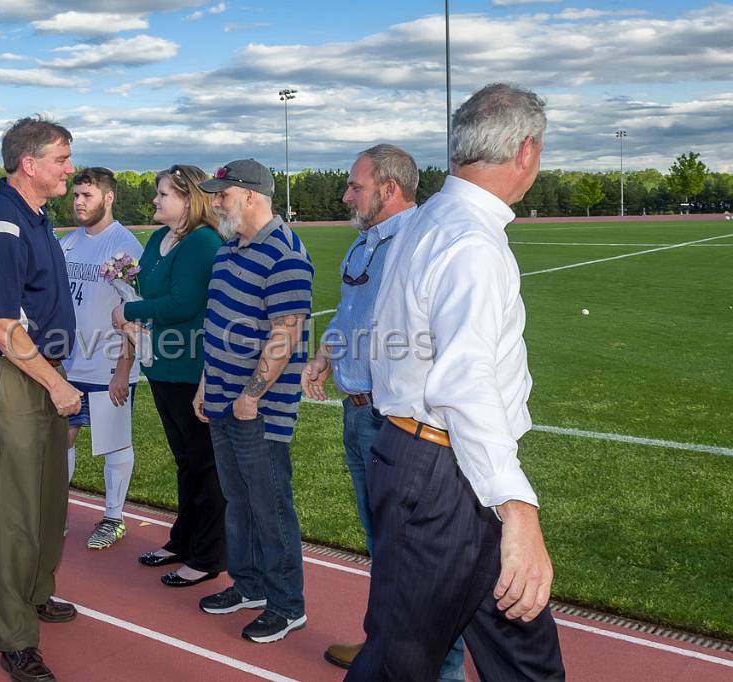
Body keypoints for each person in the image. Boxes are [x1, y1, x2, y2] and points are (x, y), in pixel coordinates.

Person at [348, 83, 565, 681]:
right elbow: (464, 383)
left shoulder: (428, 222)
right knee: (401, 664)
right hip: (445, 477)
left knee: (526, 658)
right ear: (526, 151)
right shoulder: (470, 241)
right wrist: (518, 509)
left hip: (430, 464)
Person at [303, 144, 461, 677]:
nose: (346, 194)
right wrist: (324, 356)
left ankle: (443, 670)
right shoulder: (364, 244)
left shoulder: (417, 244)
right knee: (383, 545)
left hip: (401, 422)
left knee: (423, 558)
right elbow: (351, 315)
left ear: (389, 189)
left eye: (355, 186)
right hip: (358, 412)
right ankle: (382, 644)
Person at [0, 115, 81, 682]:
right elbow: (4, 324)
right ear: (29, 164)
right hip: (13, 375)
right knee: (15, 512)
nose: (70, 169)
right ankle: (14, 637)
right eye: (62, 158)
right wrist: (57, 384)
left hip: (39, 369)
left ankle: (35, 593)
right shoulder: (3, 226)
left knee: (48, 499)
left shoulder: (35, 217)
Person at [193, 159, 313, 643]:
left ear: (250, 195)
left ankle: (287, 605)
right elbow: (218, 324)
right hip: (222, 399)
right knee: (237, 500)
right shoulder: (228, 251)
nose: (215, 201)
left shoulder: (285, 254)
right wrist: (206, 383)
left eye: (222, 194)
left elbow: (286, 334)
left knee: (271, 506)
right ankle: (249, 586)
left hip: (257, 408)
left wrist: (251, 395)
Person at [112, 164, 226, 587]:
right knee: (185, 461)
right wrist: (133, 311)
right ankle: (183, 540)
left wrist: (130, 312)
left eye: (163, 194)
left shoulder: (202, 242)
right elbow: (145, 291)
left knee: (204, 464)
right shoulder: (159, 238)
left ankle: (208, 554)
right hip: (160, 364)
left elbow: (182, 302)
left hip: (191, 367)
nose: (155, 200)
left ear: (188, 198)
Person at [60, 167, 142, 549]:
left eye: (87, 196)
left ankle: (113, 518)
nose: (78, 202)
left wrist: (123, 370)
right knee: (63, 437)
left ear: (108, 198)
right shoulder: (68, 244)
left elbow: (136, 315)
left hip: (109, 363)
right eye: (76, 195)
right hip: (69, 362)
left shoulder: (125, 246)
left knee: (113, 442)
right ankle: (56, 510)